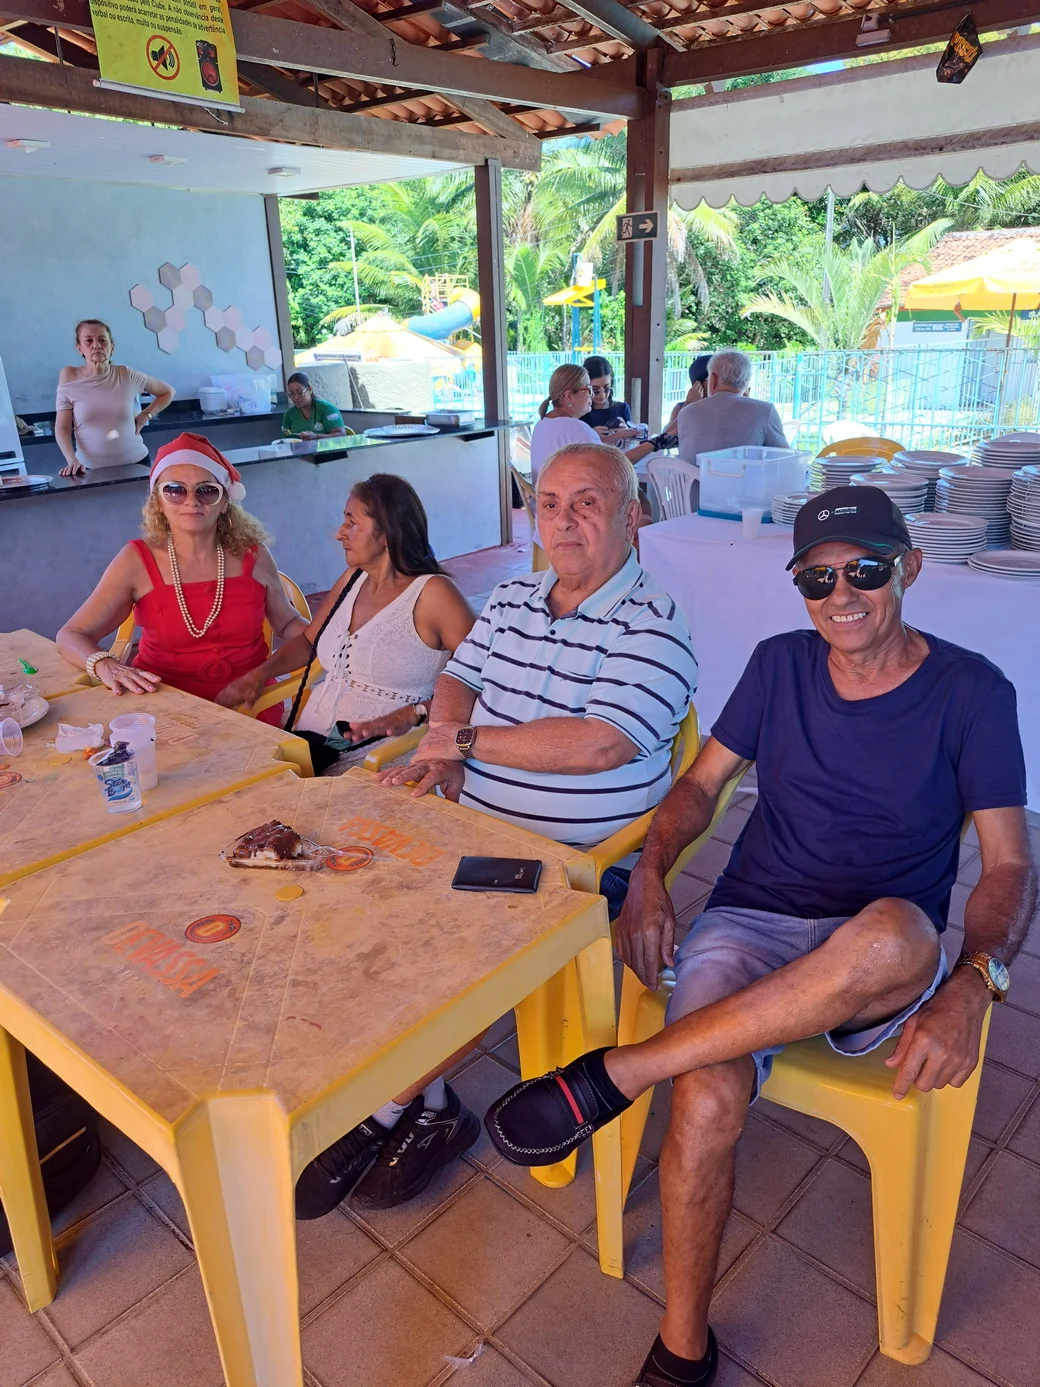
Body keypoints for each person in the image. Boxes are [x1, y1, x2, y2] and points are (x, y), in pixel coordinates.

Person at [483, 484, 1037, 1387]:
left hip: (874, 957)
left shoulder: (972, 691)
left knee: (901, 932)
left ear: (909, 567)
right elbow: (699, 786)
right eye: (817, 578)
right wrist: (651, 874)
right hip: (750, 920)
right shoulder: (779, 664)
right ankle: (683, 1344)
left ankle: (618, 1073)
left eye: (864, 570)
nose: (840, 595)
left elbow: (1009, 864)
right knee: (705, 1098)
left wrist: (977, 982)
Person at [294, 443, 698, 1221]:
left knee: (463, 938)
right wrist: (445, 750)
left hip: (575, 859)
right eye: (549, 503)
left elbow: (599, 744)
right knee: (344, 889)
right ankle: (434, 1103)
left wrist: (462, 742)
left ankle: (382, 1107)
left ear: (632, 517)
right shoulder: (514, 596)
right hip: (469, 821)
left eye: (588, 503)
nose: (565, 520)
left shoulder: (655, 625)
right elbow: (459, 675)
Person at [216, 474, 475, 774]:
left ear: (388, 533)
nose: (340, 533)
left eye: (352, 523)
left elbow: (485, 679)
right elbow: (309, 641)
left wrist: (415, 712)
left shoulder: (433, 594)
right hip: (312, 744)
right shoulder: (354, 578)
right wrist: (260, 674)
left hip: (384, 758)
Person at [57, 433, 307, 723]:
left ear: (225, 502)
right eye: (175, 490)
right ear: (158, 502)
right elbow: (71, 635)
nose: (191, 501)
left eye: (207, 491)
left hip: (251, 703)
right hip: (165, 706)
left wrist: (332, 638)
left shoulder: (254, 553)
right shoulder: (135, 560)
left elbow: (287, 622)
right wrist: (105, 665)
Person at [56, 319, 174, 477]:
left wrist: (145, 416)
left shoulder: (126, 375)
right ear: (79, 348)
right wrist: (72, 461)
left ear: (112, 347)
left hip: (136, 463)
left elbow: (167, 392)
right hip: (90, 468)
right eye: (89, 341)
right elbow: (62, 427)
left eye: (102, 340)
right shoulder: (69, 376)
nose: (96, 345)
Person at [676, 348, 788, 469]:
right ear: (746, 382)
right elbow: (785, 460)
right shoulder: (764, 411)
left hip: (693, 481)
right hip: (743, 481)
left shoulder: (686, 412)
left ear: (713, 379)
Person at [280, 372, 350, 440]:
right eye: (291, 393)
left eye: (300, 392)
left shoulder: (326, 409)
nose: (296, 397)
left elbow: (341, 435)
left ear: (310, 389)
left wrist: (316, 437)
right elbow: (284, 439)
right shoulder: (289, 415)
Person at [661, 353, 712, 441]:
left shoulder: (726, 405)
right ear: (698, 384)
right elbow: (665, 440)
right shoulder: (682, 408)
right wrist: (688, 404)